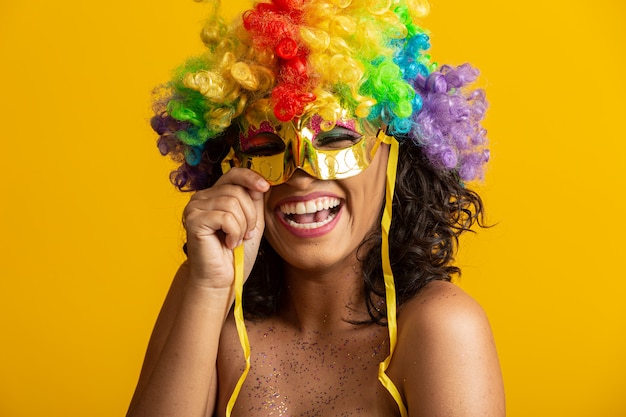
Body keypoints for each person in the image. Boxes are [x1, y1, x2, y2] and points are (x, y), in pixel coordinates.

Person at [127, 0, 505, 415]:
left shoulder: (440, 327)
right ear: (230, 163)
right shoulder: (205, 298)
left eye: (336, 139)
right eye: (267, 146)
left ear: (397, 150)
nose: (300, 175)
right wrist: (209, 289)